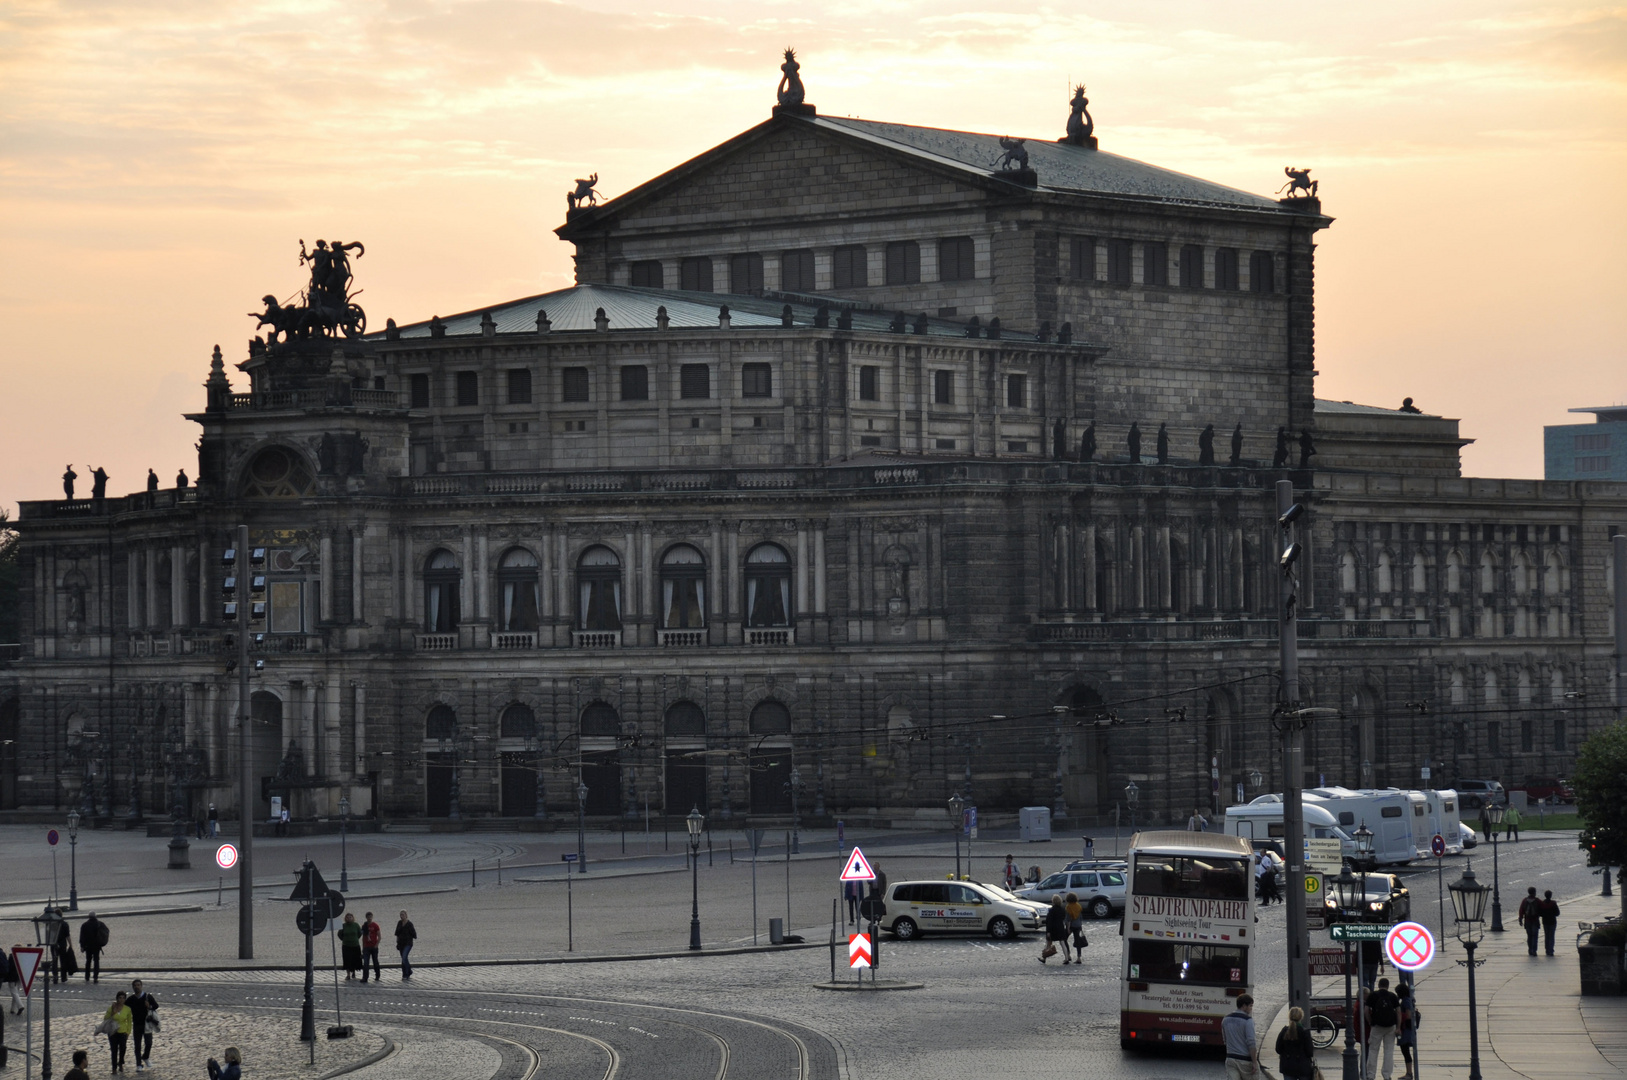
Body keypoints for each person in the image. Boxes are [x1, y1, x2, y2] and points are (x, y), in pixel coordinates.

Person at [1364, 976, 1401, 1080]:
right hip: (1391, 1027)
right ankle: (1387, 1075)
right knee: (1389, 1051)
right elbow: (1398, 1012)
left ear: (1379, 985)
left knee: (1373, 1050)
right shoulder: (1393, 996)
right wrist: (1398, 1027)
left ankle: (1371, 1075)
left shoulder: (1373, 995)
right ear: (1388, 986)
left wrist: (1371, 1021)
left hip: (1377, 1026)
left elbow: (1366, 1011)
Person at [1221, 993, 1259, 1078]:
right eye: (1250, 1006)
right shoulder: (1248, 1021)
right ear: (1244, 1006)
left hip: (1230, 1059)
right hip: (1245, 1060)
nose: (1251, 1009)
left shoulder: (1225, 1019)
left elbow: (1225, 1040)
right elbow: (1251, 1043)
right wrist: (1254, 1062)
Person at [1274, 1005, 1315, 1080]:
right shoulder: (1305, 1032)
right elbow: (1310, 1052)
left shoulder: (1284, 1031)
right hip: (1303, 1067)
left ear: (1289, 1017)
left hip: (1288, 1067)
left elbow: (1278, 1049)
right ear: (1301, 1017)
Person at [128, 978, 158, 1071]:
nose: (137, 987)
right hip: (137, 1024)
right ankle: (139, 1064)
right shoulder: (131, 999)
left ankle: (145, 1056)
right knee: (137, 1045)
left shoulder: (148, 997)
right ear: (133, 987)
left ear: (141, 986)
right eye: (135, 985)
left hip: (147, 1024)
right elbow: (124, 1007)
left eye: (138, 985)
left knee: (148, 1043)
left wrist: (149, 1006)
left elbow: (156, 1006)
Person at [103, 990, 132, 1074]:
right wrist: (113, 1012)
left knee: (123, 1048)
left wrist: (128, 1032)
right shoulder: (111, 1008)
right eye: (120, 998)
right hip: (113, 1031)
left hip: (123, 1031)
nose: (121, 1000)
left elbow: (129, 1021)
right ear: (117, 999)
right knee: (114, 1050)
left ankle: (121, 1062)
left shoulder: (127, 1009)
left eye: (123, 998)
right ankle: (114, 1068)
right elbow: (106, 1019)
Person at [1397, 982, 1421, 1080]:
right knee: (1406, 1051)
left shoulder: (1406, 1001)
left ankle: (1409, 1073)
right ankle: (1409, 1072)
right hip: (1408, 1029)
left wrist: (1398, 1016)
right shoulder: (1409, 1000)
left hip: (1406, 1030)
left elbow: (1408, 1015)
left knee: (1405, 1051)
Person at [80, 912, 107, 984]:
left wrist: (82, 946)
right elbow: (106, 932)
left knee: (88, 961)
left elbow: (82, 937)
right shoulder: (100, 924)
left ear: (88, 917)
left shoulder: (84, 925)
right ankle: (95, 977)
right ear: (95, 916)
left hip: (88, 946)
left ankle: (87, 976)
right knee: (96, 961)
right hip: (97, 945)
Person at [1039, 895, 1067, 965]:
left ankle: (1044, 958)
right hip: (1060, 928)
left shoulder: (1051, 910)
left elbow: (1049, 921)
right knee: (1062, 943)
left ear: (1053, 901)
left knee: (1048, 944)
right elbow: (1063, 918)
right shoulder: (1062, 909)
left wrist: (1048, 932)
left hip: (1053, 929)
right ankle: (1066, 957)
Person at [1517, 886, 1541, 955]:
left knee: (1529, 936)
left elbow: (1521, 910)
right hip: (1535, 920)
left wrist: (1520, 919)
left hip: (1527, 920)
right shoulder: (1537, 900)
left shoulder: (1525, 900)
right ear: (1534, 892)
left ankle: (1530, 949)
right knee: (1535, 936)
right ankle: (1534, 950)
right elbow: (1542, 908)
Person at [338, 912, 363, 979]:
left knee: (355, 959)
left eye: (350, 917)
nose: (349, 918)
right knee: (347, 960)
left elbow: (360, 933)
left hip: (355, 945)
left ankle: (354, 973)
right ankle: (348, 974)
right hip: (346, 945)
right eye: (347, 917)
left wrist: (355, 939)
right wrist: (344, 939)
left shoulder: (356, 925)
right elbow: (339, 934)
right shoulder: (343, 926)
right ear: (345, 918)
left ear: (353, 918)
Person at [53, 916, 76, 983]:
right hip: (62, 944)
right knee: (63, 961)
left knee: (54, 961)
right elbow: (67, 935)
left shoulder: (52, 923)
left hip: (53, 944)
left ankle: (55, 976)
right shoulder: (65, 924)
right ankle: (63, 977)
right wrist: (70, 944)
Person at [1063, 892, 1085, 964]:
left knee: (1064, 939)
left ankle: (1068, 955)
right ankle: (1079, 957)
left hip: (1072, 925)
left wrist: (1068, 928)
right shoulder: (1078, 906)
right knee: (1078, 941)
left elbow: (1068, 919)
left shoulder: (1068, 907)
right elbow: (1081, 917)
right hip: (1078, 925)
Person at [361, 912, 382, 983]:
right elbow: (363, 937)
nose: (369, 918)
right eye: (368, 917)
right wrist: (363, 947)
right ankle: (365, 977)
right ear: (366, 917)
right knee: (366, 963)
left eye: (370, 917)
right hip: (366, 947)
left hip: (374, 946)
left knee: (375, 961)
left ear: (372, 917)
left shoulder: (375, 925)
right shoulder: (364, 926)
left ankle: (377, 975)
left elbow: (379, 936)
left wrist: (377, 944)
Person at [395, 910, 417, 979]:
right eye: (401, 915)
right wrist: (397, 942)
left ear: (406, 915)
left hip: (408, 943)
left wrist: (410, 935)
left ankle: (407, 973)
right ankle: (406, 973)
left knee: (404, 957)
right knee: (403, 959)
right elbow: (397, 933)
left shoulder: (409, 924)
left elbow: (414, 934)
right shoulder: (399, 923)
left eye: (403, 915)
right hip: (401, 943)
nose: (402, 916)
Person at [1538, 890, 1561, 956]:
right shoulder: (1553, 903)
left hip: (1545, 921)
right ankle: (1550, 950)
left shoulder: (1542, 903)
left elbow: (1540, 913)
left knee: (1546, 935)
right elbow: (1557, 913)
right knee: (1551, 936)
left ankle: (1547, 949)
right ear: (1550, 896)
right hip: (1552, 921)